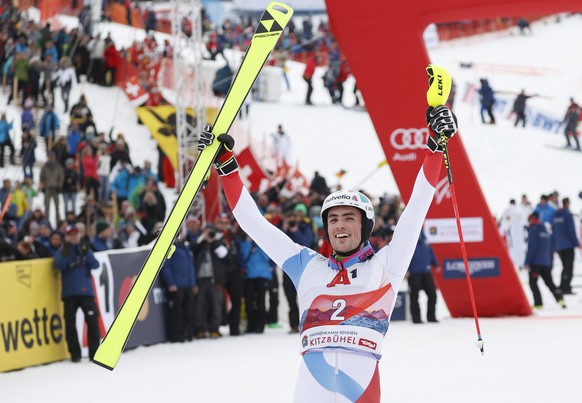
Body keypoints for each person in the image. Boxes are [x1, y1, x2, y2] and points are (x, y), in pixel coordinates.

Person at [197, 101, 458, 401]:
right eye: (333, 219)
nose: (340, 225)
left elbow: (417, 206)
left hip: (359, 391)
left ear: (365, 226)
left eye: (349, 217)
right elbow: (252, 222)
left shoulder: (388, 265)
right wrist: (227, 166)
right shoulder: (307, 266)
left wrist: (435, 146)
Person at [53, 225, 101, 362]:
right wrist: (67, 254)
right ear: (67, 237)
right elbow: (58, 265)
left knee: (92, 322)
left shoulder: (84, 248)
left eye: (76, 234)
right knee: (70, 324)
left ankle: (94, 352)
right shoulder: (63, 251)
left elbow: (96, 265)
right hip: (69, 294)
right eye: (71, 235)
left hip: (86, 292)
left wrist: (86, 253)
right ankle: (75, 354)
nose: (74, 237)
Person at [160, 233, 198, 342]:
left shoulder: (185, 247)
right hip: (177, 285)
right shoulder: (170, 247)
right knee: (177, 312)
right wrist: (170, 283)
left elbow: (191, 267)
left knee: (188, 311)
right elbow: (165, 266)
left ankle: (187, 333)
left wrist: (193, 283)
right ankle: (176, 335)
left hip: (188, 286)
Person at [524, 212, 566, 310]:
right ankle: (560, 299)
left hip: (535, 262)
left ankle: (538, 303)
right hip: (546, 261)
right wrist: (549, 261)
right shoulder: (545, 229)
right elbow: (551, 247)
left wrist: (527, 262)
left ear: (532, 219)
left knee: (533, 283)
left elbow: (532, 247)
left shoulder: (533, 229)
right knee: (549, 282)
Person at [407, 231, 439, 324]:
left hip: (426, 270)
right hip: (414, 272)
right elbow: (404, 255)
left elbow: (429, 251)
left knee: (432, 294)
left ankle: (431, 317)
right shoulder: (409, 234)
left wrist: (435, 264)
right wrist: (406, 270)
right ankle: (416, 319)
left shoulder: (423, 235)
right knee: (414, 295)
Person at [551, 197, 579, 295]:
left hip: (559, 245)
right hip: (568, 245)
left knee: (564, 266)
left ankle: (563, 285)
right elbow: (571, 230)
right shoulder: (567, 215)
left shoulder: (555, 215)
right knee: (569, 267)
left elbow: (553, 230)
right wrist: (576, 243)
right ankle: (566, 287)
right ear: (567, 203)